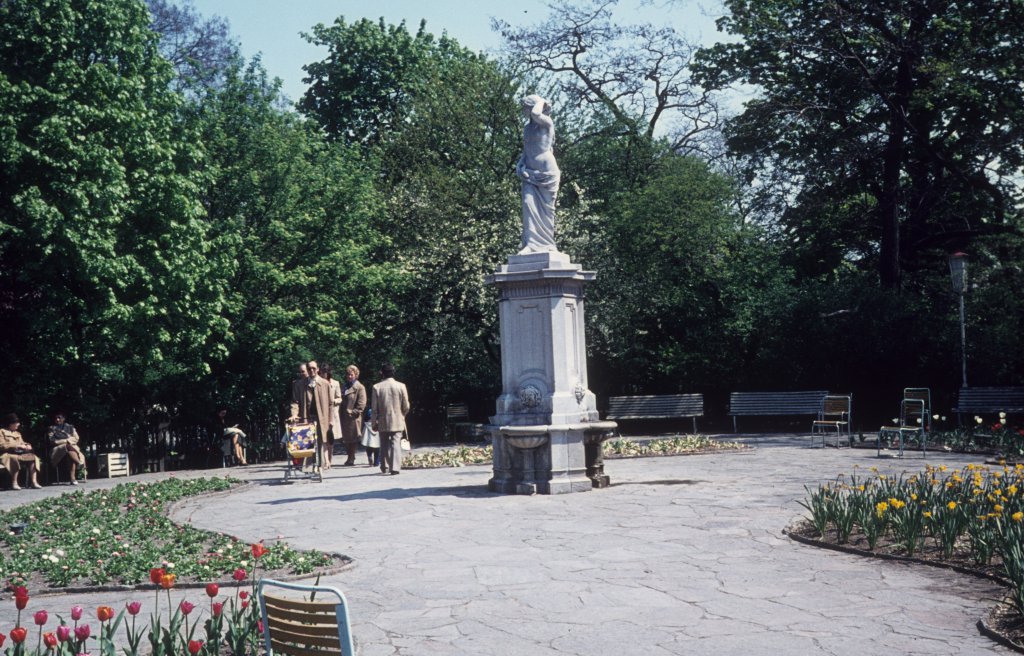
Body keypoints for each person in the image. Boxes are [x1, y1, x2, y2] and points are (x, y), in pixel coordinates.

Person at [516, 94, 561, 254]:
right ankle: (531, 244)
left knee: (547, 210)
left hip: (547, 172)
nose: (523, 110)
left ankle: (547, 244)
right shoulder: (527, 128)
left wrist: (542, 101)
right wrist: (519, 164)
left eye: (525, 107)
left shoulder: (546, 123)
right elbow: (527, 150)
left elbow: (536, 114)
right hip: (529, 172)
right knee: (528, 205)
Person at [289, 360, 333, 469]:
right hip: (306, 417)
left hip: (322, 417)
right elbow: (295, 402)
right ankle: (309, 464)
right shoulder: (299, 384)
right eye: (309, 369)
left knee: (322, 439)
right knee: (307, 440)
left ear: (318, 369)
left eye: (314, 368)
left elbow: (331, 404)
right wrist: (294, 414)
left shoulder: (325, 383)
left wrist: (331, 420)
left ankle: (321, 464)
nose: (311, 370)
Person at [371, 363, 410, 475]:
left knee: (383, 443)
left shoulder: (376, 387)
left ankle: (385, 466)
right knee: (395, 442)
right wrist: (402, 415)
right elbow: (406, 405)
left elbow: (374, 408)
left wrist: (374, 422)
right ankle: (395, 467)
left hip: (383, 419)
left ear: (382, 373)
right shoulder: (401, 386)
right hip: (398, 418)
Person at [0, 414, 41, 490]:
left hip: (19, 453)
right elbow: (2, 445)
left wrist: (27, 445)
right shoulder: (1, 432)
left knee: (33, 457)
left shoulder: (17, 433)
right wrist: (17, 446)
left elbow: (22, 442)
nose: (18, 424)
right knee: (14, 458)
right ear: (10, 423)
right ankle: (14, 483)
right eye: (16, 423)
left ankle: (34, 482)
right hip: (5, 454)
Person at [339, 364, 367, 466]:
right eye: (348, 375)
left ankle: (351, 458)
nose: (349, 376)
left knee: (353, 439)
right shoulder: (344, 386)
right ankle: (350, 456)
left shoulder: (360, 387)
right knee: (346, 439)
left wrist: (352, 412)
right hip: (343, 417)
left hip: (353, 418)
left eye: (351, 374)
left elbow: (362, 404)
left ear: (356, 375)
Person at [47, 412, 86, 483]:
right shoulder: (51, 428)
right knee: (67, 447)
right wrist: (66, 441)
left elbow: (76, 438)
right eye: (56, 418)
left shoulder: (70, 427)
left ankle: (73, 478)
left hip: (72, 447)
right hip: (58, 449)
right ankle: (80, 464)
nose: (57, 419)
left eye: (59, 418)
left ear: (63, 419)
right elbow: (53, 441)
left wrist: (67, 441)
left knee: (70, 454)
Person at [320, 363, 343, 470]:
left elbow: (340, 398)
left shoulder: (335, 383)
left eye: (326, 372)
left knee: (330, 438)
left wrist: (334, 401)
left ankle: (330, 458)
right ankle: (325, 460)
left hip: (332, 412)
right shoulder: (318, 382)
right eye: (322, 372)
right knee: (323, 437)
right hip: (321, 413)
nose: (324, 374)